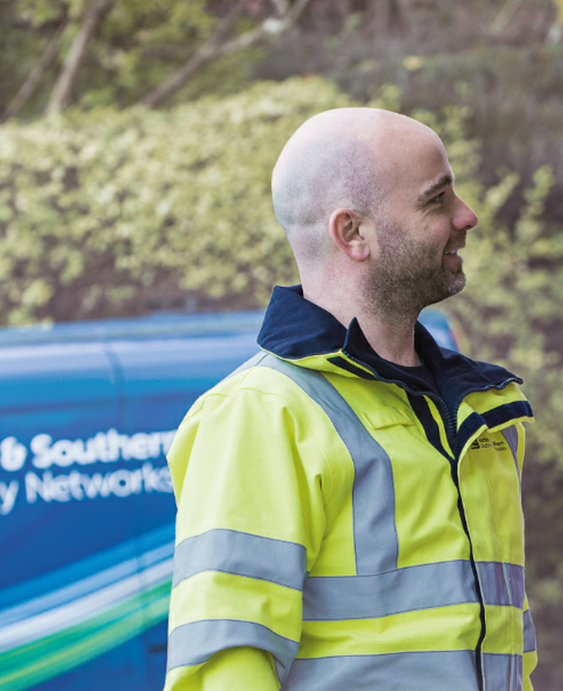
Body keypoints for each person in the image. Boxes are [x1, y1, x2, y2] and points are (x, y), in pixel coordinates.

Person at [162, 108, 537, 691]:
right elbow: (226, 668)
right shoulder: (263, 414)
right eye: (437, 200)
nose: (467, 215)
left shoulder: (484, 413)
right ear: (353, 233)